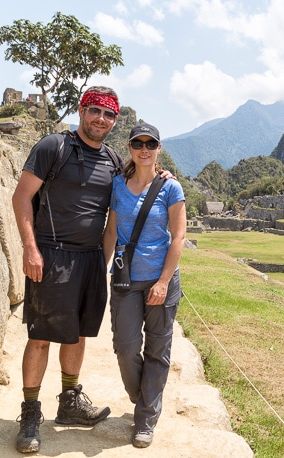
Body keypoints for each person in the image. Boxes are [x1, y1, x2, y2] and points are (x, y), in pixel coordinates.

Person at [11, 86, 123, 453]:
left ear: (114, 120)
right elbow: (21, 197)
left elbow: (133, 190)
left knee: (77, 335)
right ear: (81, 110)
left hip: (91, 259)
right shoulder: (53, 147)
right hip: (52, 255)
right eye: (95, 111)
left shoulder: (113, 159)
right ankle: (30, 413)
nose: (100, 120)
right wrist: (31, 249)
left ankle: (69, 402)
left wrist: (162, 173)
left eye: (108, 115)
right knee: (41, 336)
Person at [102, 123, 187, 448]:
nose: (144, 149)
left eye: (150, 143)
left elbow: (178, 237)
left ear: (158, 149)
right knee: (125, 347)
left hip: (159, 280)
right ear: (130, 148)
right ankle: (144, 397)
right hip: (125, 279)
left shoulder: (170, 188)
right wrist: (102, 269)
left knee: (157, 349)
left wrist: (164, 281)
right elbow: (111, 233)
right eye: (138, 143)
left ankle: (146, 418)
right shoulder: (118, 186)